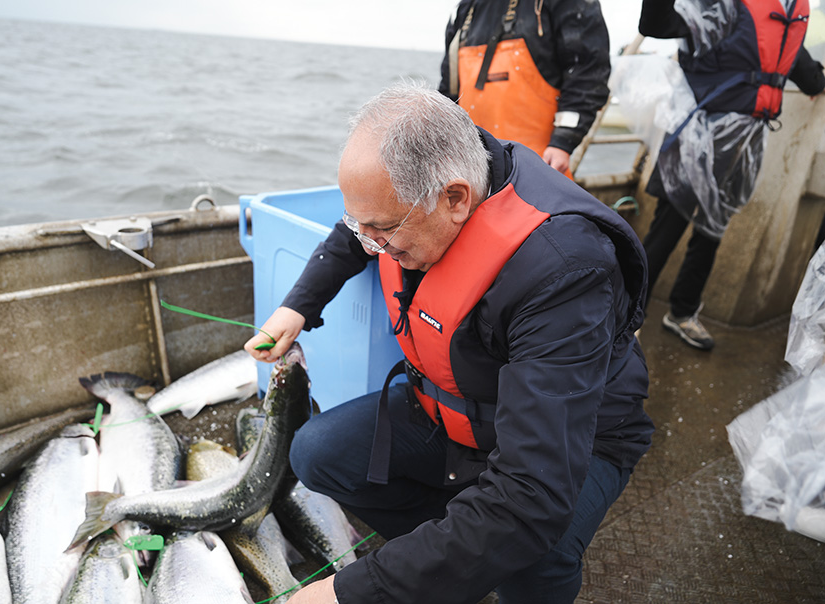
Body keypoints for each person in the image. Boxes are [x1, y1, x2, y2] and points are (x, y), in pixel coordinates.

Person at [245, 82, 654, 604]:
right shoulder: (423, 185)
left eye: (384, 235)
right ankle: (460, 552)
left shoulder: (566, 269)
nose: (372, 247)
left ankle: (485, 555)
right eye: (365, 229)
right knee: (317, 452)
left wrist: (351, 594)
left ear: (456, 198)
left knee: (532, 551)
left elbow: (534, 494)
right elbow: (357, 230)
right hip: (452, 409)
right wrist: (298, 306)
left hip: (576, 434)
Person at [638, 0, 825, 350]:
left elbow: (798, 65)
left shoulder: (791, 11)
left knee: (712, 231)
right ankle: (625, 315)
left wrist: (817, 82)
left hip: (744, 142)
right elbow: (659, 25)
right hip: (698, 134)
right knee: (667, 227)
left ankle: (682, 311)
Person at [438, 0, 612, 176]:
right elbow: (448, 91)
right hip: (473, 171)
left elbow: (587, 73)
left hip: (540, 166)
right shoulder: (466, 8)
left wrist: (563, 141)